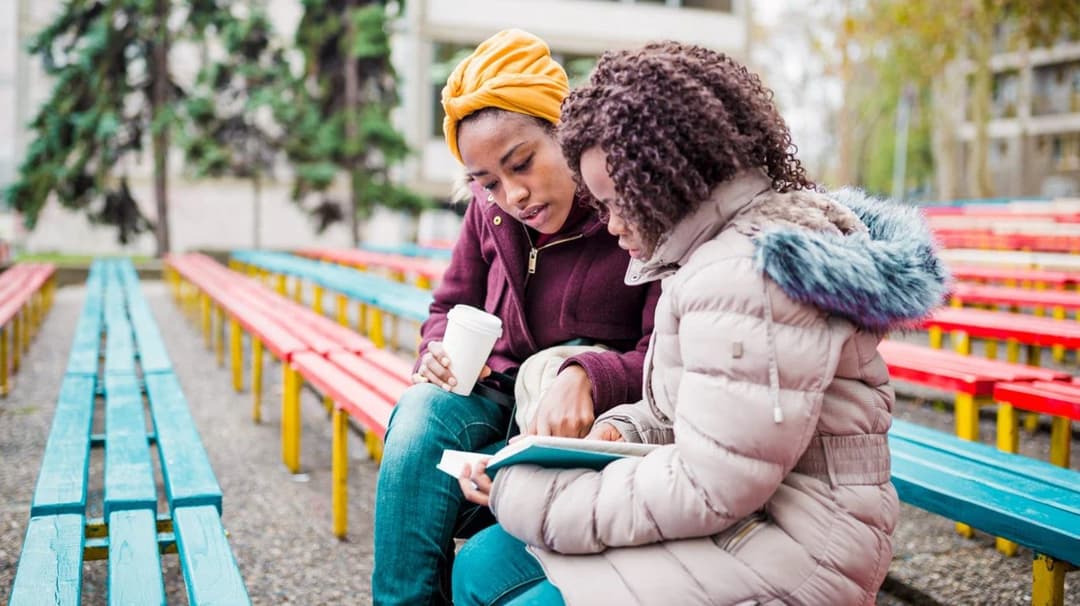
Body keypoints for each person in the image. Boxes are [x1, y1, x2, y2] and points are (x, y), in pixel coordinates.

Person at [451, 41, 948, 606]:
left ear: (665, 180)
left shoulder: (748, 273)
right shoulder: (696, 257)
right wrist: (619, 431)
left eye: (615, 202)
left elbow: (713, 484)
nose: (608, 224)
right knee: (481, 567)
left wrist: (527, 492)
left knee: (517, 591)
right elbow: (678, 411)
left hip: (799, 545)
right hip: (743, 519)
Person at [371, 30, 660, 606]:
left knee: (480, 567)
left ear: (567, 132)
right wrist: (438, 351)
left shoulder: (630, 212)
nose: (512, 195)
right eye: (488, 182)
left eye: (521, 163)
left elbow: (664, 354)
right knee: (419, 413)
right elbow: (448, 306)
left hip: (589, 431)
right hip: (496, 397)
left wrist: (587, 374)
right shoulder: (491, 213)